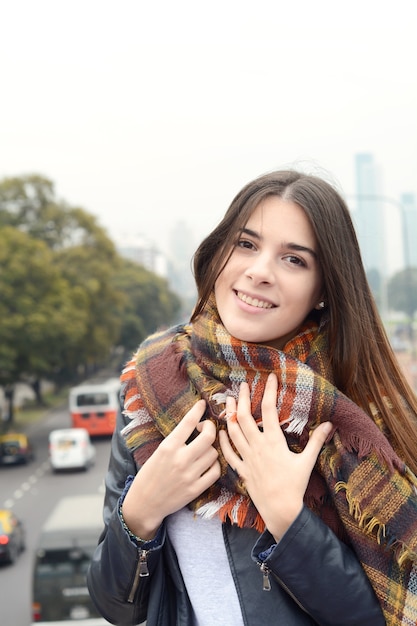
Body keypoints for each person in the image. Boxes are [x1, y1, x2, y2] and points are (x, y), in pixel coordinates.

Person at [87, 169, 417, 626]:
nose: (259, 272)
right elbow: (114, 607)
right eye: (246, 244)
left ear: (323, 291)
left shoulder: (361, 420)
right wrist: (139, 514)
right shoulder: (152, 391)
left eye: (294, 260)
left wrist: (288, 518)